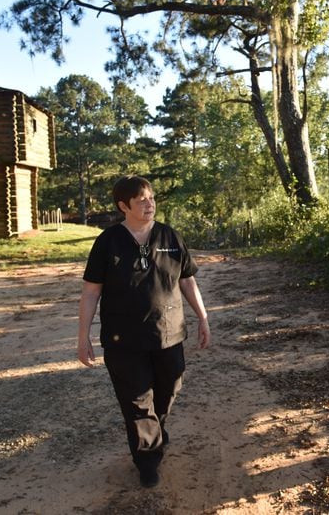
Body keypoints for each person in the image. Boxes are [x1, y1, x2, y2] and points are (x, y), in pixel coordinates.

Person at [77, 175, 211, 488]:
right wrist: (82, 336)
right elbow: (90, 292)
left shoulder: (169, 236)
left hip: (169, 334)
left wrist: (202, 317)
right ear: (124, 207)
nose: (149, 204)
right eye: (141, 200)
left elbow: (187, 280)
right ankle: (148, 460)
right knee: (137, 402)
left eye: (151, 198)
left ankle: (156, 428)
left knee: (170, 387)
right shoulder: (108, 242)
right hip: (123, 340)